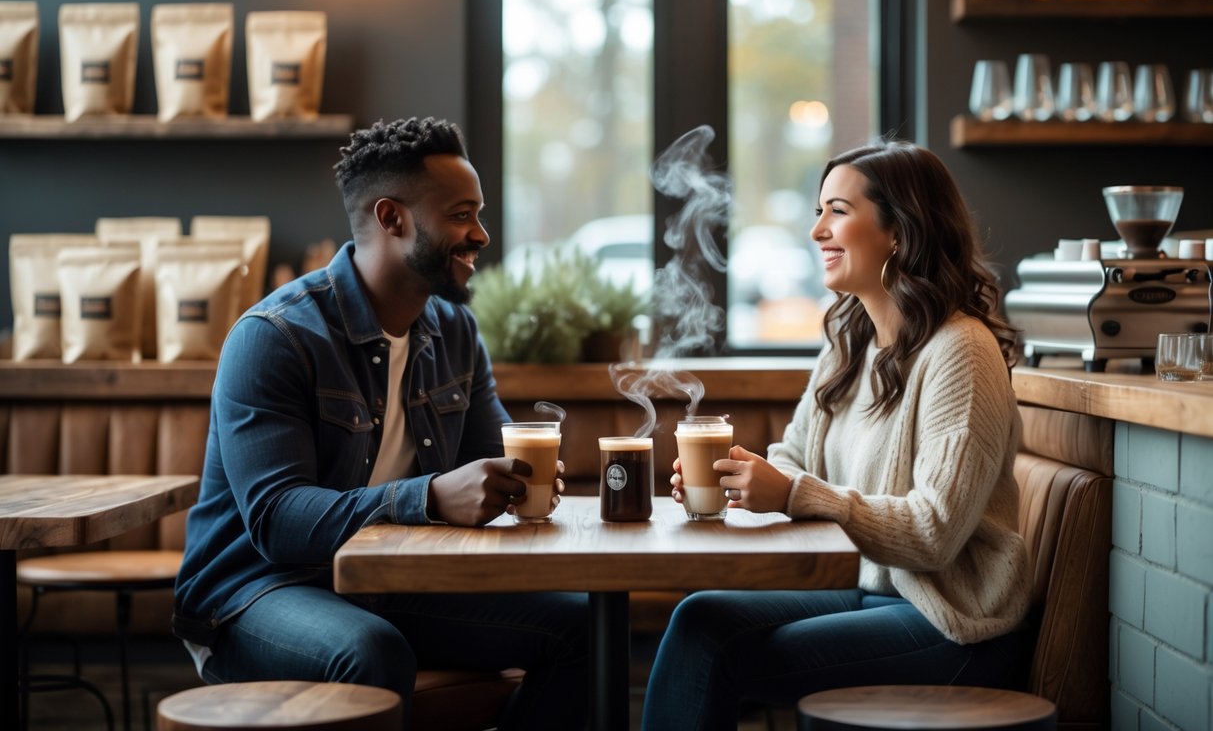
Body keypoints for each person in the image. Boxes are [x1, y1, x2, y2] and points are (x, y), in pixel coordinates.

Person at [173, 117, 588, 730]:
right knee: (370, 651)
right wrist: (430, 497)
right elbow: (277, 521)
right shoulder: (275, 337)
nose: (481, 234)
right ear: (391, 218)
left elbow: (488, 462)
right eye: (460, 214)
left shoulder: (455, 332)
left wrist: (524, 482)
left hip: (393, 582)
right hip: (257, 591)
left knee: (584, 626)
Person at [642, 140, 1032, 730]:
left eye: (837, 212)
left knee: (716, 651)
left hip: (951, 622)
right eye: (818, 211)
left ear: (900, 230)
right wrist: (740, 480)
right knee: (700, 618)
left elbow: (934, 535)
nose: (817, 230)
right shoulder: (849, 338)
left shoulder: (961, 352)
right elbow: (794, 456)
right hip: (872, 588)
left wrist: (792, 493)